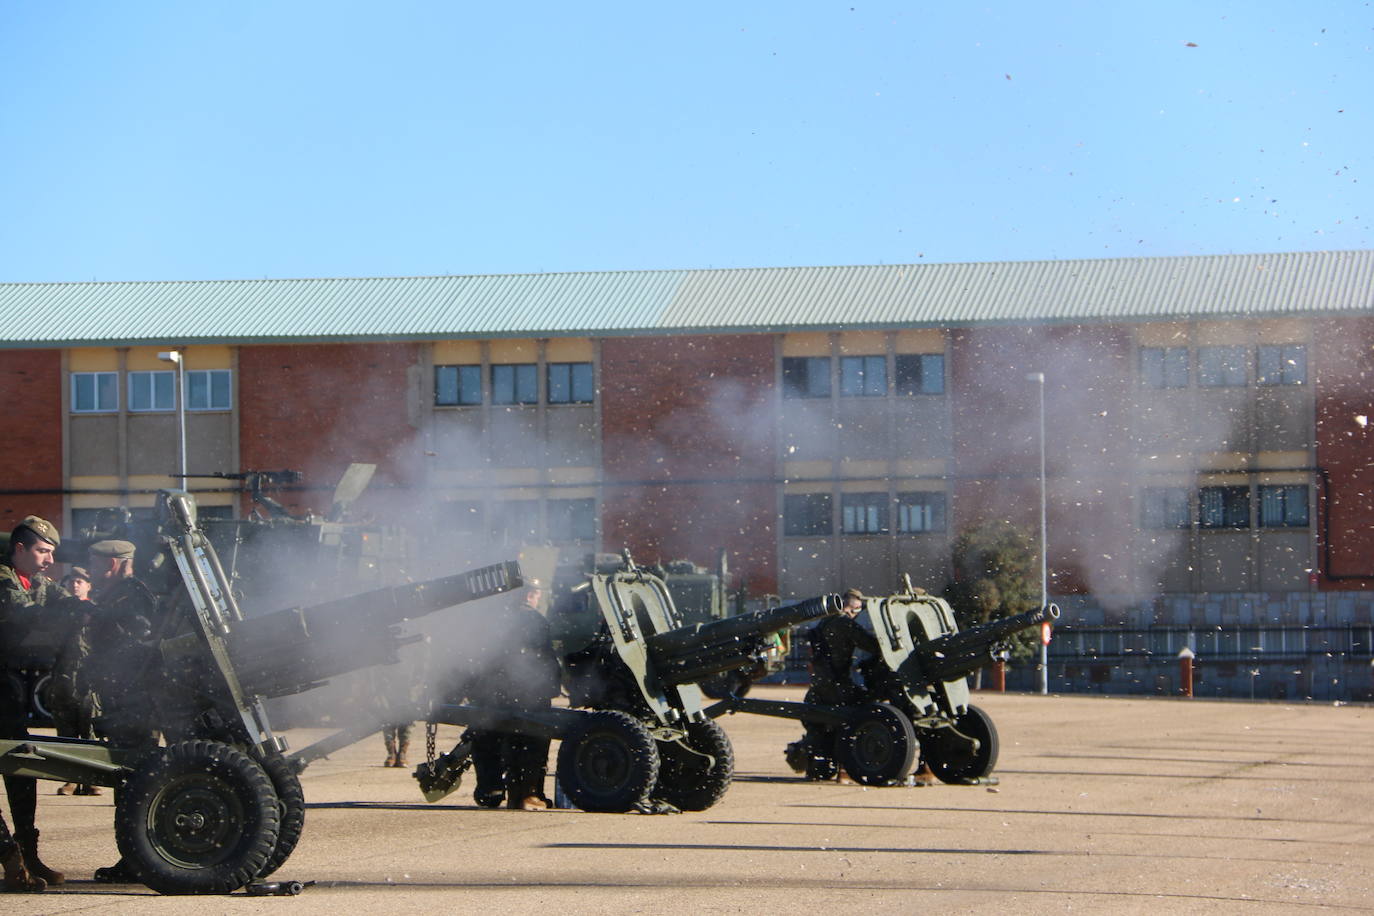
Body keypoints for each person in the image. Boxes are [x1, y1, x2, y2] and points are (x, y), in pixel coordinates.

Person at [0, 516, 79, 891]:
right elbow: (23, 613)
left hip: (7, 690)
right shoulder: (3, 580)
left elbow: (63, 602)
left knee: (20, 766)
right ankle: (10, 858)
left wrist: (90, 609)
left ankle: (27, 853)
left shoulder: (38, 583)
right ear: (20, 549)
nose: (49, 560)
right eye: (42, 551)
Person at [82, 539, 162, 884]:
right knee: (129, 781)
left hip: (134, 703)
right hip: (124, 699)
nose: (91, 570)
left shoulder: (131, 596)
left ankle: (135, 858)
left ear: (112, 564)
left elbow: (139, 646)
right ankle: (134, 856)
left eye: (94, 563)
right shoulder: (120, 594)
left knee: (133, 782)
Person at [470, 578, 561, 811]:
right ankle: (527, 794)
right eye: (536, 593)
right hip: (528, 692)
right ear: (530, 595)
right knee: (532, 743)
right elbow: (545, 658)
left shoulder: (493, 619)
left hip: (494, 692)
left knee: (489, 739)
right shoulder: (534, 619)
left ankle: (491, 790)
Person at [786, 587, 879, 784]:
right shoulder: (844, 624)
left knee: (818, 724)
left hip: (820, 685)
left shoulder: (824, 621)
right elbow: (872, 645)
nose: (853, 615)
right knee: (856, 717)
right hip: (837, 685)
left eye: (857, 611)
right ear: (844, 606)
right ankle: (844, 770)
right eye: (852, 609)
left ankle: (815, 764)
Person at [51, 566, 101, 797]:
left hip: (89, 678)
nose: (75, 584)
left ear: (89, 585)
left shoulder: (96, 610)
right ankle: (70, 780)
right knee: (66, 732)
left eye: (81, 581)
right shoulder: (59, 610)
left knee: (90, 729)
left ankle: (91, 779)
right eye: (72, 580)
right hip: (63, 676)